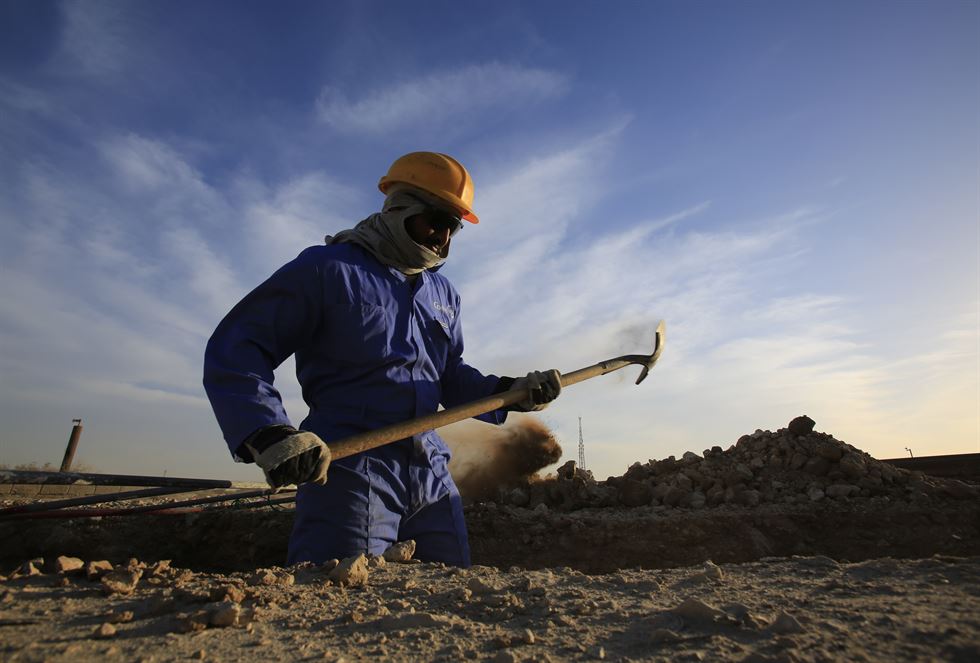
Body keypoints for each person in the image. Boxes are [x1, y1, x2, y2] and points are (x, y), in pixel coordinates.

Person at [203, 151, 562, 567]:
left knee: (451, 597)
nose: (443, 238)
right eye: (435, 221)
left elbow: (448, 375)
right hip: (351, 468)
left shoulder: (443, 294)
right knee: (337, 596)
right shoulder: (328, 270)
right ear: (399, 208)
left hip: (431, 472)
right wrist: (265, 431)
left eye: (453, 228)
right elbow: (240, 345)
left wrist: (510, 392)